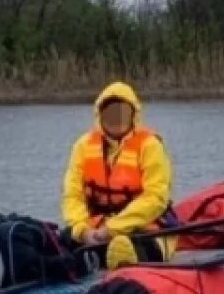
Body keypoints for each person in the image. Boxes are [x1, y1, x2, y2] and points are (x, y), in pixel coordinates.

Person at [62, 81, 176, 270]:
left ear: (134, 115)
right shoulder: (83, 146)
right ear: (100, 114)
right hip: (95, 232)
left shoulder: (150, 145)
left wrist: (113, 229)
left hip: (144, 230)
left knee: (128, 247)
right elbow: (73, 195)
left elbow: (156, 198)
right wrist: (83, 231)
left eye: (122, 111)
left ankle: (124, 269)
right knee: (65, 240)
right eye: (111, 112)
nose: (116, 118)